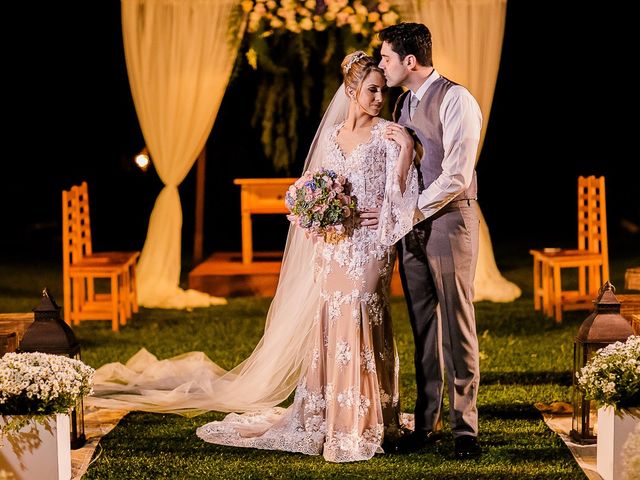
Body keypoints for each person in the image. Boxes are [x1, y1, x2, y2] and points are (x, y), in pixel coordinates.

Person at [87, 51, 420, 463]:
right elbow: (315, 188)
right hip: (334, 246)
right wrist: (316, 215)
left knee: (360, 315)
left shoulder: (389, 134)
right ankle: (327, 414)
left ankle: (364, 419)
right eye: (371, 90)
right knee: (331, 319)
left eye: (382, 91)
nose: (378, 98)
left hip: (370, 245)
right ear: (351, 91)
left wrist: (405, 150)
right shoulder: (331, 136)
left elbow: (403, 197)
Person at [378, 22, 483, 459]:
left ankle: (465, 429)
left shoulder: (456, 99)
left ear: (409, 60)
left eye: (385, 58)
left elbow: (457, 174)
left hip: (448, 221)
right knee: (422, 324)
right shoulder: (402, 104)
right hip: (412, 226)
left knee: (456, 323)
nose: (381, 66)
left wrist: (413, 209)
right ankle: (426, 422)